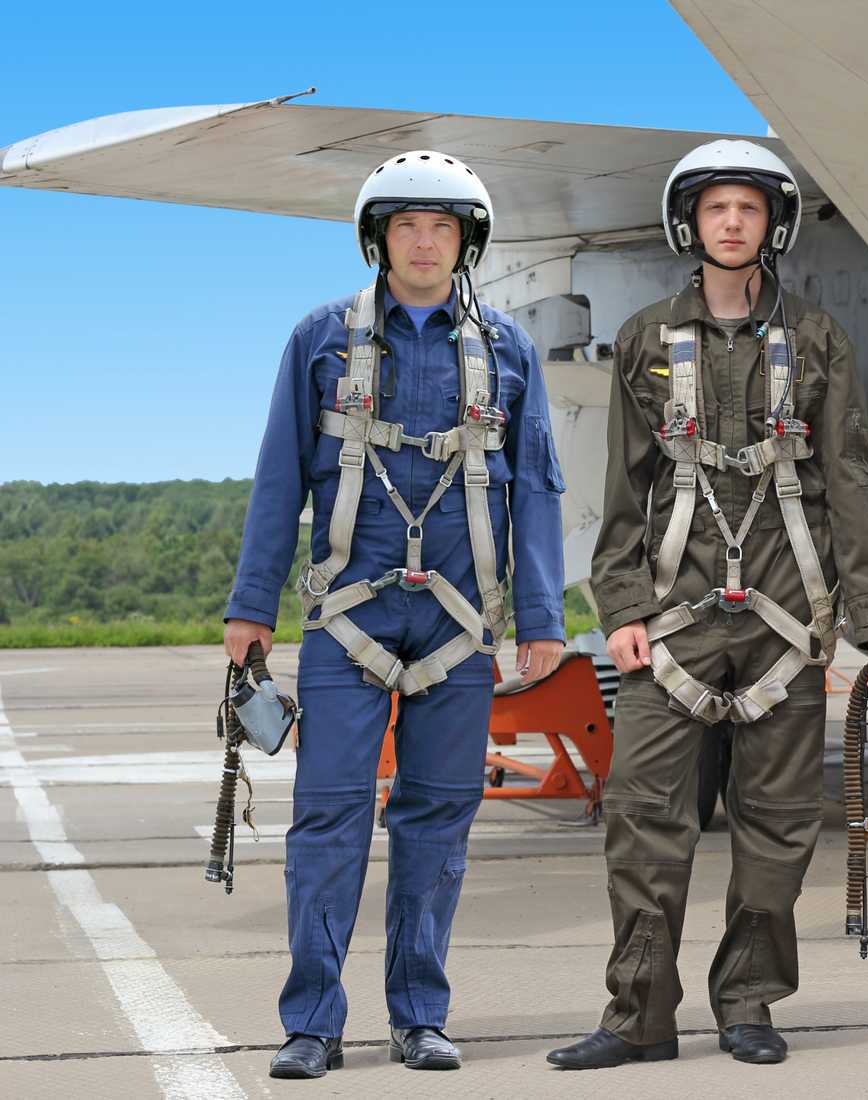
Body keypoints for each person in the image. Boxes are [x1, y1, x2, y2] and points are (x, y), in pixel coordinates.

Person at [547, 140, 868, 1070]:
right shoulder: (643, 345)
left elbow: (853, 484)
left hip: (788, 620)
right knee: (644, 818)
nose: (733, 223)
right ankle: (639, 1018)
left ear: (771, 225)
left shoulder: (820, 343)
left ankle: (749, 1004)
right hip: (673, 620)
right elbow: (622, 488)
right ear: (692, 226)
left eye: (748, 208)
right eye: (717, 210)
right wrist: (619, 605)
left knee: (778, 825)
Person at [224, 150, 566, 1079]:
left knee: (439, 819)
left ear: (466, 242)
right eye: (408, 226)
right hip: (348, 619)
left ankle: (419, 1014)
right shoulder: (321, 341)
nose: (425, 242)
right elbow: (278, 476)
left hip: (458, 623)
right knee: (329, 816)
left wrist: (542, 619)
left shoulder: (507, 350)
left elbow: (533, 486)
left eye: (442, 227)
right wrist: (251, 606)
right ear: (380, 238)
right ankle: (312, 1024)